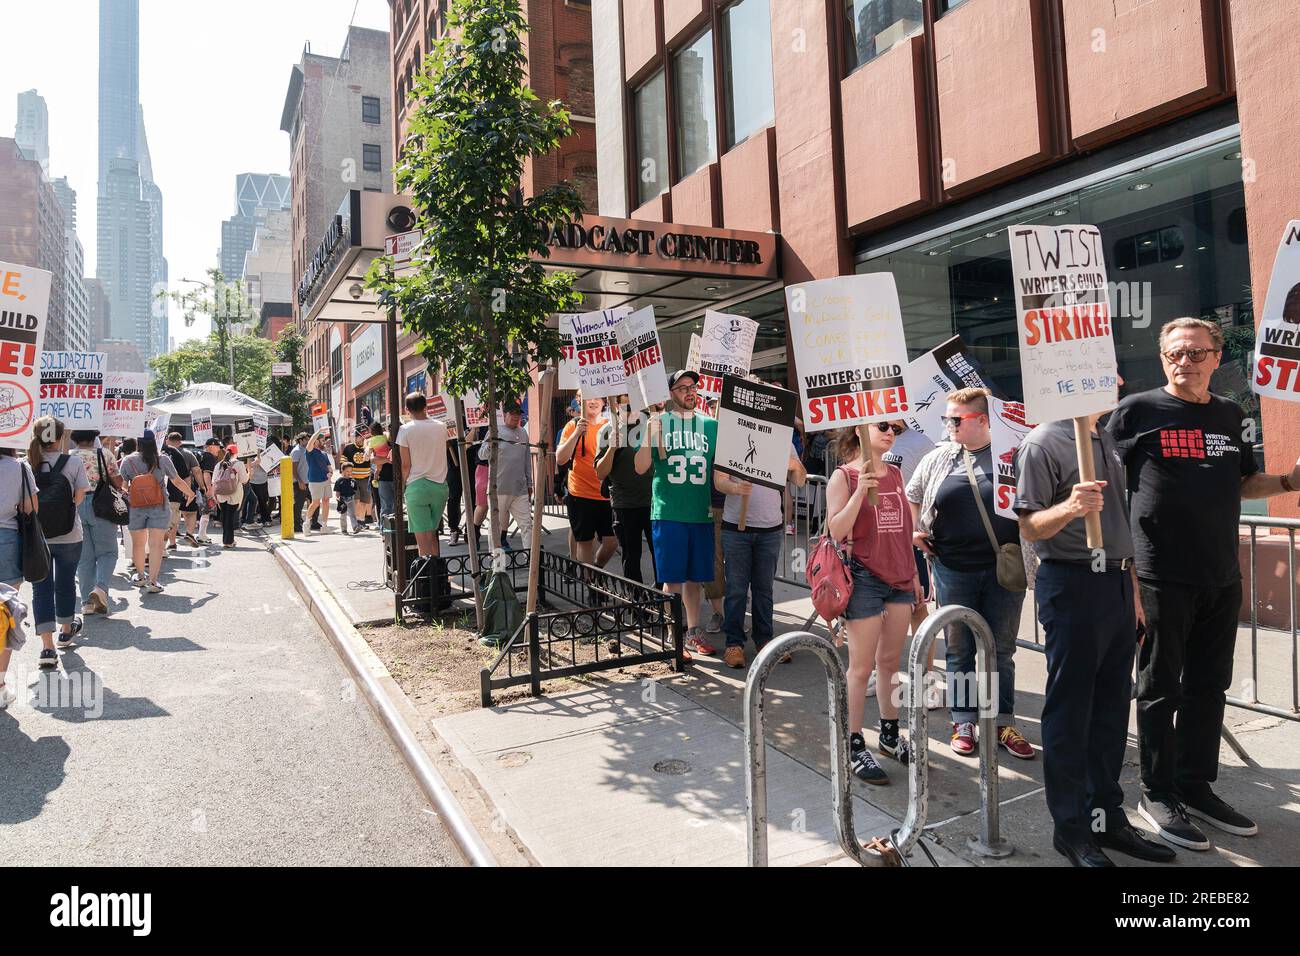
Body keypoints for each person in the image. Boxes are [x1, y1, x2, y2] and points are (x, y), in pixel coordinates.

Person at [1109, 317, 1300, 847]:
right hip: (1159, 574)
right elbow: (1104, 488)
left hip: (1220, 574)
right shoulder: (1136, 412)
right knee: (1157, 689)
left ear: (1217, 357)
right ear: (1162, 357)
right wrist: (1124, 571)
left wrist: (1286, 482)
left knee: (1209, 687)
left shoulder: (1231, 414)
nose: (1184, 363)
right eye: (1174, 354)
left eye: (1196, 354)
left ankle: (1196, 785)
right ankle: (1157, 790)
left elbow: (1244, 481)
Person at [1014, 402, 1173, 867]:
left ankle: (1107, 818)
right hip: (1072, 582)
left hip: (1117, 582)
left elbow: (1120, 526)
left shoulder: (1106, 438)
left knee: (1108, 710)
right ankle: (1072, 829)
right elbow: (1028, 525)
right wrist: (1071, 506)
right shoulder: (1044, 441)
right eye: (1107, 374)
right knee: (1071, 713)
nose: (1117, 383)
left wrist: (1134, 590)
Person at [907, 388, 1034, 759]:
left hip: (1003, 570)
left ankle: (1001, 720)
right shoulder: (938, 457)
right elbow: (913, 493)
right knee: (959, 648)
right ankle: (963, 719)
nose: (949, 425)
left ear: (982, 420)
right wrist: (916, 530)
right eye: (947, 418)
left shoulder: (1014, 454)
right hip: (952, 569)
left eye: (956, 419)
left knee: (1001, 649)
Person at [825, 422, 921, 785]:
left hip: (898, 579)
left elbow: (902, 531)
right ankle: (853, 744)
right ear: (861, 429)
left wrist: (912, 574)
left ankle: (890, 734)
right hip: (863, 578)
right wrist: (858, 491)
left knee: (890, 663)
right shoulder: (844, 476)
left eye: (895, 427)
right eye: (882, 426)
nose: (890, 431)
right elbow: (836, 529)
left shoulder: (895, 472)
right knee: (860, 668)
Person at [634, 370, 718, 655]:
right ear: (671, 393)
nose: (689, 392)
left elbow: (725, 466)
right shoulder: (659, 423)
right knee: (673, 579)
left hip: (700, 513)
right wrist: (648, 433)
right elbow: (640, 467)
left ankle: (694, 631)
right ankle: (675, 634)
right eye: (682, 388)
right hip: (669, 513)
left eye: (693, 386)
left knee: (695, 578)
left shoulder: (710, 425)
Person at [714, 442, 806, 668]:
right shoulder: (733, 437)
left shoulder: (784, 442)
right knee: (736, 588)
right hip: (737, 528)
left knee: (764, 589)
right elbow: (719, 481)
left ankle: (765, 641)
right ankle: (734, 643)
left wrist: (794, 465)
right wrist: (736, 488)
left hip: (770, 529)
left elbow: (800, 480)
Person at [27, 417, 91, 667]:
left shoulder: (27, 463)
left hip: (38, 537)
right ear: (61, 437)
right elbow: (79, 495)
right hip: (69, 534)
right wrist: (64, 511)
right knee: (65, 583)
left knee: (40, 589)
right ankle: (66, 629)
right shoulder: (73, 462)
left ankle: (47, 648)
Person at [119, 433, 194, 592]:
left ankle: (140, 576)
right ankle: (153, 582)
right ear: (154, 442)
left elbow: (123, 485)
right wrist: (190, 493)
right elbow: (177, 480)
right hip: (159, 505)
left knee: (138, 544)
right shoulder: (163, 459)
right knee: (156, 545)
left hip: (136, 506)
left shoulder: (128, 460)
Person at [595, 397, 656, 584]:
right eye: (625, 405)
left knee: (661, 555)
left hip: (655, 503)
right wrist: (612, 449)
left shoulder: (652, 424)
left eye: (633, 404)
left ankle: (662, 599)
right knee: (631, 557)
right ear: (615, 405)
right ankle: (637, 605)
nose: (630, 409)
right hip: (625, 505)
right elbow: (600, 473)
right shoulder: (607, 431)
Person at [557, 391, 617, 567]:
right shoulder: (572, 425)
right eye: (588, 397)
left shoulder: (609, 425)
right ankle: (592, 586)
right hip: (580, 494)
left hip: (606, 495)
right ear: (579, 401)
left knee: (612, 542)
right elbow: (560, 458)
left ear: (604, 400)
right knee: (585, 543)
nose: (593, 401)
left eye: (598, 397)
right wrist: (576, 433)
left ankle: (595, 573)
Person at [0, 447, 38, 708]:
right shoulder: (19, 467)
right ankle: (0, 683)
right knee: (6, 611)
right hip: (7, 539)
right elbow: (31, 507)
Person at [71, 430, 124, 616]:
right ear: (93, 437)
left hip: (75, 507)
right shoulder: (104, 454)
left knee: (84, 559)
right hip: (101, 505)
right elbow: (118, 482)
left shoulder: (68, 458)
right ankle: (100, 588)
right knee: (108, 552)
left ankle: (86, 603)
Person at [395, 392, 450, 559]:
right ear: (426, 407)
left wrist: (402, 485)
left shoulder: (405, 430)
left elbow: (406, 465)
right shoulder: (441, 426)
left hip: (416, 485)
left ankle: (426, 577)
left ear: (407, 409)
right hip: (440, 485)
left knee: (422, 538)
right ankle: (437, 574)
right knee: (432, 532)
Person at [489, 401, 532, 550]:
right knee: (496, 527)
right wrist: (491, 445)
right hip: (499, 488)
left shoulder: (523, 433)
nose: (515, 417)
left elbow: (527, 460)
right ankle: (497, 566)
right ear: (505, 415)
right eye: (512, 414)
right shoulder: (495, 431)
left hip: (519, 489)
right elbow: (482, 455)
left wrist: (529, 483)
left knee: (527, 525)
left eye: (518, 414)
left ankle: (532, 562)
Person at [162, 432, 202, 549]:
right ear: (180, 442)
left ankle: (168, 544)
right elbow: (193, 472)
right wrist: (189, 491)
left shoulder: (146, 453)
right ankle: (177, 539)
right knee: (174, 519)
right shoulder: (183, 453)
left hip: (153, 494)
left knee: (164, 521)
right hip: (176, 491)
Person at [212, 444, 248, 549]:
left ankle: (227, 540)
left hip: (221, 494)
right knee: (230, 517)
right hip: (234, 494)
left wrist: (215, 495)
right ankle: (229, 541)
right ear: (236, 453)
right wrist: (249, 472)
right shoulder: (239, 464)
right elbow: (244, 480)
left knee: (225, 517)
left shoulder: (219, 464)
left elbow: (214, 481)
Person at [341, 425, 374, 529]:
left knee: (365, 500)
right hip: (353, 478)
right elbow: (343, 462)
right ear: (355, 437)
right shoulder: (348, 448)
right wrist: (345, 477)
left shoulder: (368, 447)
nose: (363, 438)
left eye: (364, 436)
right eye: (361, 436)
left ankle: (362, 520)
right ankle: (357, 522)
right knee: (356, 500)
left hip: (366, 478)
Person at [302, 431, 334, 535]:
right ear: (316, 441)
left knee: (326, 502)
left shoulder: (324, 454)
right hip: (315, 481)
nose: (324, 442)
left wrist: (330, 473)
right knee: (315, 503)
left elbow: (329, 468)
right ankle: (306, 524)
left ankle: (324, 526)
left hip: (325, 481)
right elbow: (309, 443)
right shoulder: (310, 452)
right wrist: (318, 431)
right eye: (322, 440)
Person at [367, 424, 395, 524]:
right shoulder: (383, 441)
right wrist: (387, 460)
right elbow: (373, 460)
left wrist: (383, 460)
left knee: (396, 508)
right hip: (384, 479)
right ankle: (384, 531)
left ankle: (394, 531)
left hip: (398, 479)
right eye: (390, 430)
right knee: (386, 507)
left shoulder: (399, 444)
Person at [197, 437, 222, 544]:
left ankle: (202, 535)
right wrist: (208, 488)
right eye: (217, 447)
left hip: (199, 487)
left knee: (205, 512)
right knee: (206, 512)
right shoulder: (209, 457)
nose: (219, 449)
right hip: (205, 488)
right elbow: (206, 473)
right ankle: (201, 536)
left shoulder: (202, 455)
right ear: (211, 447)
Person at [288, 432, 311, 533]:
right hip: (300, 482)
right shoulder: (297, 451)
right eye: (306, 439)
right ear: (300, 440)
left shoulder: (305, 449)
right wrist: (300, 481)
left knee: (313, 501)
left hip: (308, 481)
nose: (308, 441)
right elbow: (293, 468)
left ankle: (313, 522)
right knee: (299, 505)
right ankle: (296, 525)